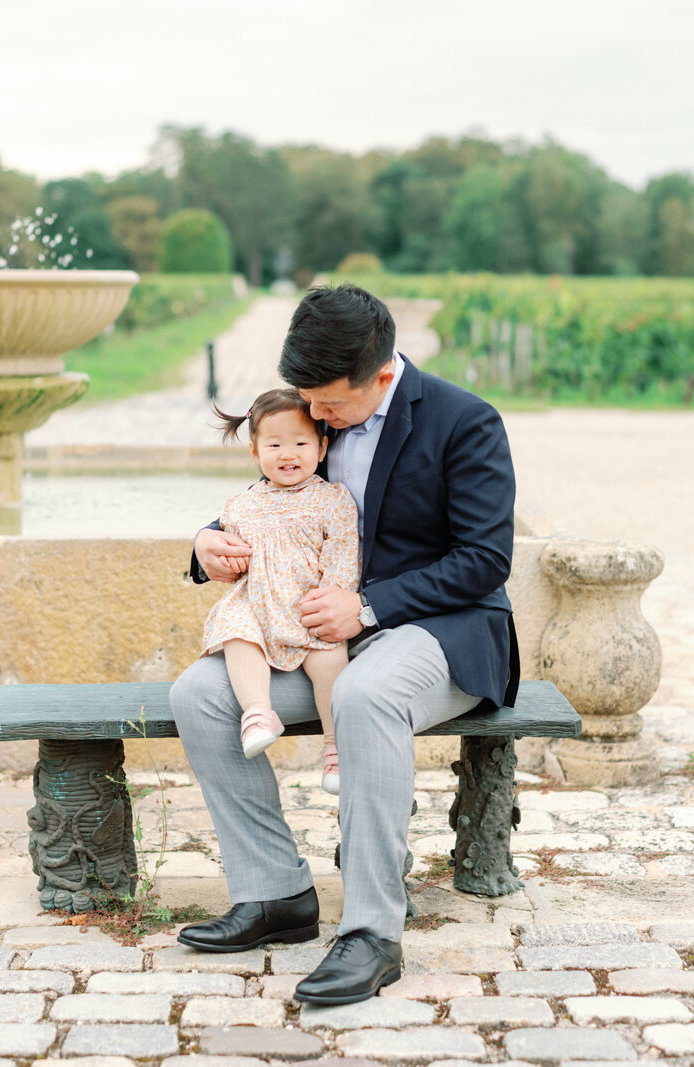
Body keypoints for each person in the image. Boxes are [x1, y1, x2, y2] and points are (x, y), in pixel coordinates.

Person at [171, 284, 519, 1005]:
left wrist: (366, 605)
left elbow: (485, 559)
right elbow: (274, 489)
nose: (315, 418)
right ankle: (275, 894)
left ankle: (371, 931)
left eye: (327, 405)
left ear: (382, 376)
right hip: (327, 638)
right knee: (200, 694)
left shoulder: (466, 422)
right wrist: (207, 541)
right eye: (306, 400)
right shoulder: (316, 414)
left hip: (439, 633)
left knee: (365, 694)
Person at [201, 387, 361, 793]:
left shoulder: (333, 500)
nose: (288, 453)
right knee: (236, 630)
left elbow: (343, 551)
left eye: (301, 443)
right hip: (259, 601)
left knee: (328, 653)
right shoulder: (240, 504)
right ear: (256, 454)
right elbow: (235, 555)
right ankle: (258, 712)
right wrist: (231, 560)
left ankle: (335, 746)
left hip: (308, 597)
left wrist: (333, 593)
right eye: (274, 445)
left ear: (322, 449)